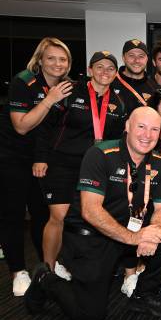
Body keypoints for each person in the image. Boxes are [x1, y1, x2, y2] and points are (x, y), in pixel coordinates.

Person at [24, 107, 161, 320]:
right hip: (92, 237)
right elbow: (90, 210)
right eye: (141, 127)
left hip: (131, 232)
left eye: (155, 129)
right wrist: (135, 239)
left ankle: (142, 294)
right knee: (90, 316)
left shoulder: (160, 164)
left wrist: (153, 230)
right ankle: (46, 279)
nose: (147, 135)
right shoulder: (99, 154)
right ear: (127, 127)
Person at [38, 51, 127, 277]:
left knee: (86, 217)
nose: (104, 72)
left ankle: (69, 262)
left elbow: (116, 141)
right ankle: (47, 269)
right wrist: (41, 157)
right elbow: (46, 127)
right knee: (59, 216)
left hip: (95, 168)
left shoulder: (118, 103)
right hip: (63, 163)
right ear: (90, 70)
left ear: (116, 74)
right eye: (99, 67)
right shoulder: (70, 91)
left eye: (110, 68)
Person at [0, 37, 71, 296]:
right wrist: (49, 99)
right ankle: (17, 270)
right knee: (14, 215)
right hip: (14, 157)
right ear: (40, 60)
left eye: (62, 59)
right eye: (51, 58)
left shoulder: (67, 87)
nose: (57, 63)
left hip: (45, 159)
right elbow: (22, 126)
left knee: (43, 214)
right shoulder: (23, 81)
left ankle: (46, 266)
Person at [120, 89, 161, 297]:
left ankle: (145, 271)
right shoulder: (141, 136)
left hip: (155, 190)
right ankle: (130, 273)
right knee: (133, 220)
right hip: (131, 191)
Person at [112, 39, 156, 114]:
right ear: (123, 58)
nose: (137, 60)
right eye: (131, 55)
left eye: (141, 56)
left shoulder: (155, 88)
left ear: (147, 59)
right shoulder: (110, 83)